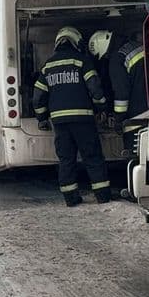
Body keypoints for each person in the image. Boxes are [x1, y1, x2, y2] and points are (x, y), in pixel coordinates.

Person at [33, 26, 111, 206]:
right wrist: (102, 109)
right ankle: (103, 197)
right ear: (76, 42)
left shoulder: (48, 66)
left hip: (59, 123)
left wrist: (42, 118)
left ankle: (71, 198)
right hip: (83, 120)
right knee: (92, 157)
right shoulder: (82, 61)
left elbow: (38, 97)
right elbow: (95, 89)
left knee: (66, 160)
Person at [88, 29, 149, 121]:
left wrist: (119, 117)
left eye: (104, 56)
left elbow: (121, 92)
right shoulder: (134, 45)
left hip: (139, 111)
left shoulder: (117, 59)